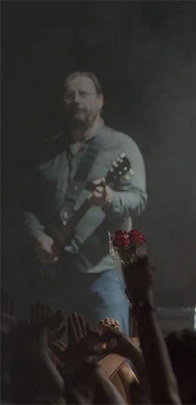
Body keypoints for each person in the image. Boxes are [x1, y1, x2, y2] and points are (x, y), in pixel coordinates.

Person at [22, 71, 147, 334]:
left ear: (100, 100)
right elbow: (27, 205)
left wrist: (110, 198)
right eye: (69, 95)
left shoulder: (121, 146)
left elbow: (138, 199)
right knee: (56, 351)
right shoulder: (48, 151)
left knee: (114, 350)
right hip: (57, 276)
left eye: (83, 94)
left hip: (104, 272)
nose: (76, 100)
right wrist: (38, 238)